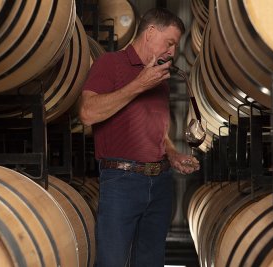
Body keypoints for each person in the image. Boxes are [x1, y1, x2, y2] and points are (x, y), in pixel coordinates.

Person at [79, 7, 200, 267]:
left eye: (175, 45)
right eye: (169, 43)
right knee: (112, 262)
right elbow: (88, 113)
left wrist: (172, 153)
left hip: (160, 181)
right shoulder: (110, 64)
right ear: (150, 33)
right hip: (122, 181)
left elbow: (157, 127)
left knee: (150, 261)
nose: (172, 51)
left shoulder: (160, 78)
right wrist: (138, 85)